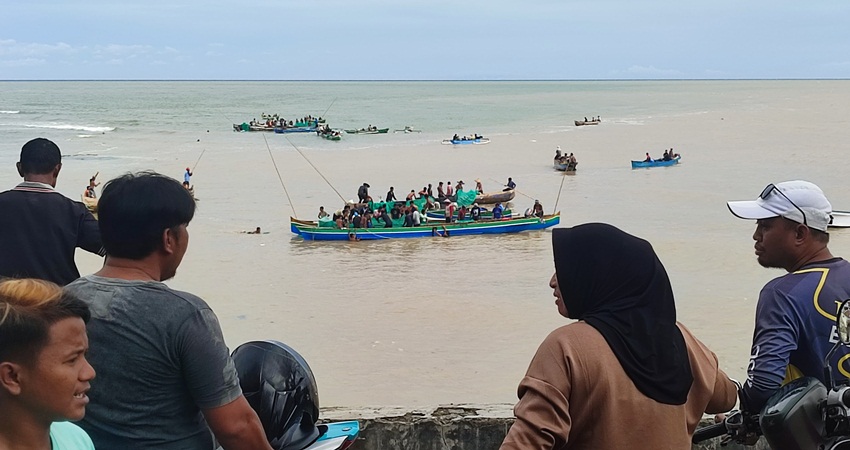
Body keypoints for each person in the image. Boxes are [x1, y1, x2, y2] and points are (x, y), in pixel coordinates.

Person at [64, 172, 272, 450]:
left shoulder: (63, 300)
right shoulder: (186, 315)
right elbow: (236, 427)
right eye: (184, 228)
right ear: (169, 239)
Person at [500, 224, 737, 449]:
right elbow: (726, 398)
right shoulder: (682, 340)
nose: (552, 281)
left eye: (563, 269)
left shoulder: (566, 346)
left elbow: (528, 439)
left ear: (597, 275)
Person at [727, 180, 850, 413]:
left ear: (800, 233)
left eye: (765, 226)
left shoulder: (782, 293)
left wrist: (746, 413)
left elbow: (763, 383)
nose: (756, 235)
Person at [0, 278, 97, 450]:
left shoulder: (76, 439)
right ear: (12, 377)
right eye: (72, 360)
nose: (89, 372)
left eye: (85, 355)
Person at [0, 138, 104, 286]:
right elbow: (113, 249)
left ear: (20, 168)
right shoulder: (74, 211)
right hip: (57, 301)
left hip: (6, 299)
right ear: (57, 169)